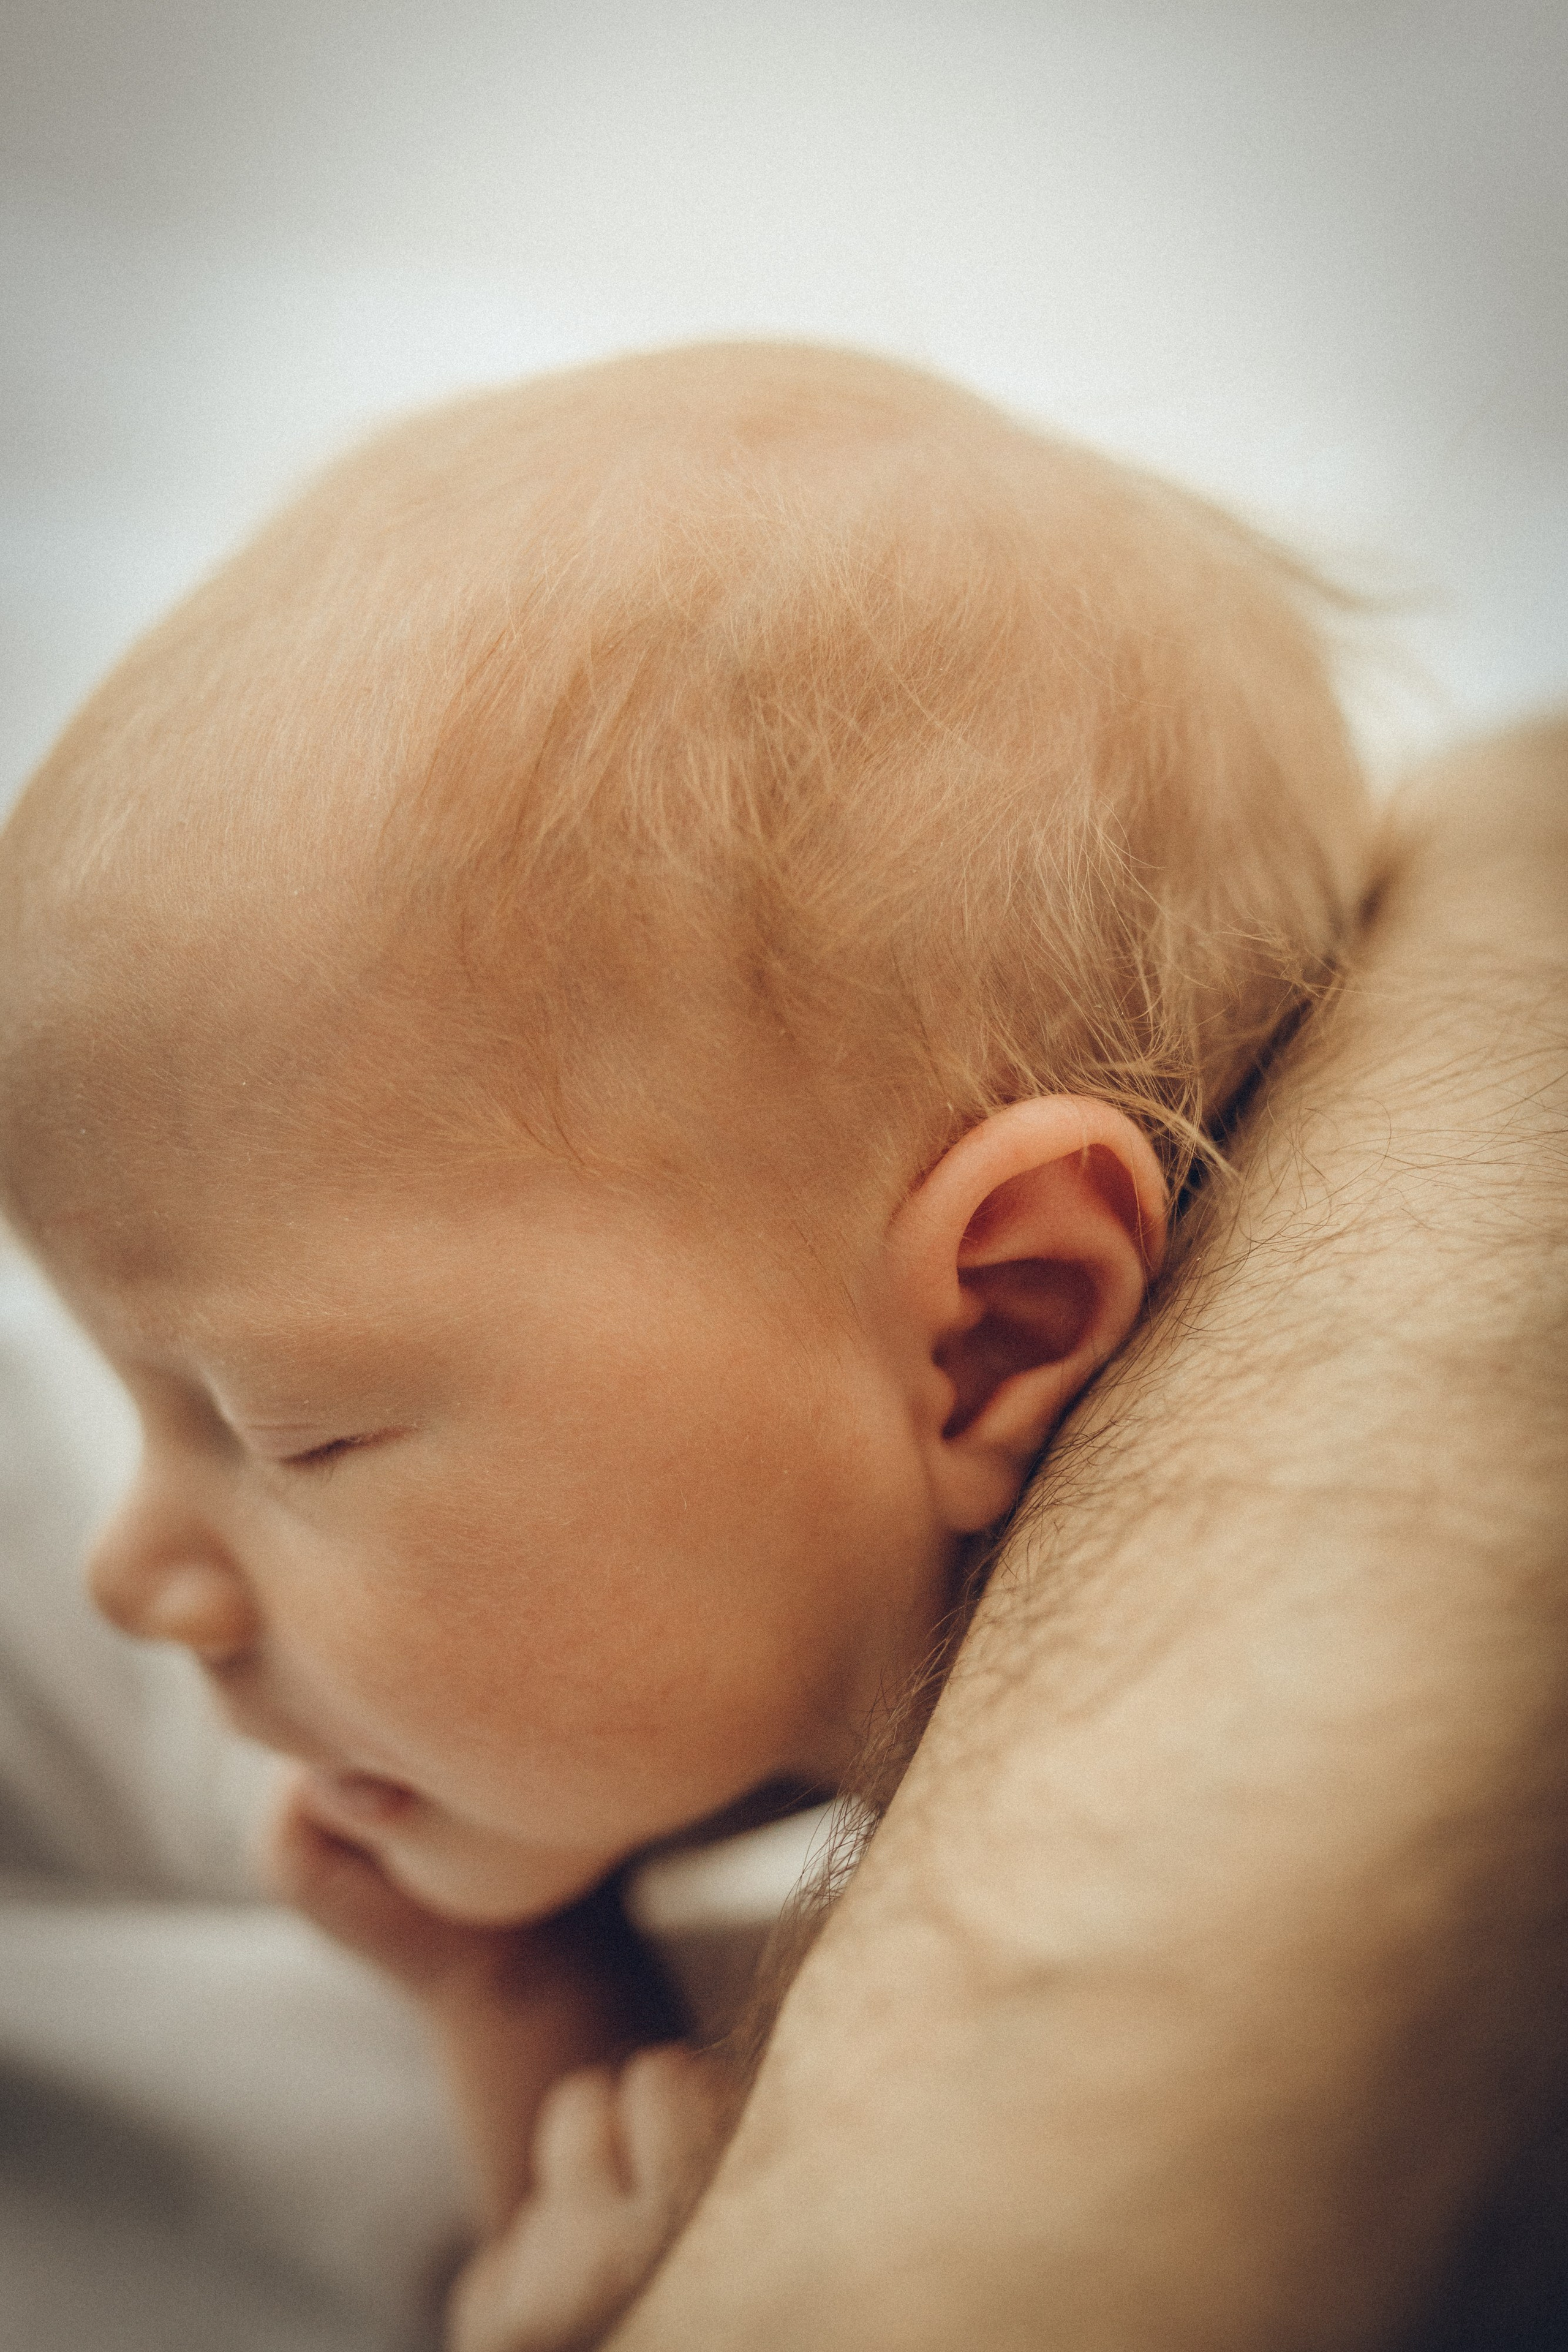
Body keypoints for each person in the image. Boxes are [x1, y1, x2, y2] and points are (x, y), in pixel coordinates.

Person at [0, 339, 1389, 2348]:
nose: (136, 1580)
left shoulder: (1058, 1990)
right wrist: (520, 2002)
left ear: (994, 1325)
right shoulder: (659, 1754)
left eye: (295, 1433)